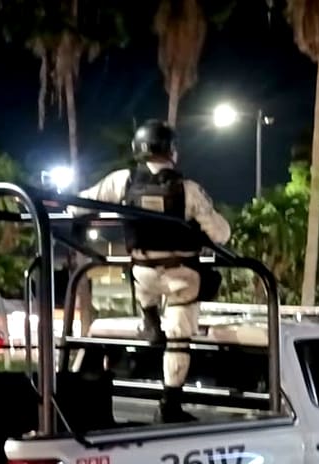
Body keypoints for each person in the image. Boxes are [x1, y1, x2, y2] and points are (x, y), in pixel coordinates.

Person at [78, 119, 232, 423]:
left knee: (143, 280)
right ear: (171, 150)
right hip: (180, 276)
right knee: (179, 338)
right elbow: (220, 234)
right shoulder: (188, 189)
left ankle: (149, 318)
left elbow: (80, 204)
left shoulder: (121, 181)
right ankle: (170, 404)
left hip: (142, 273)